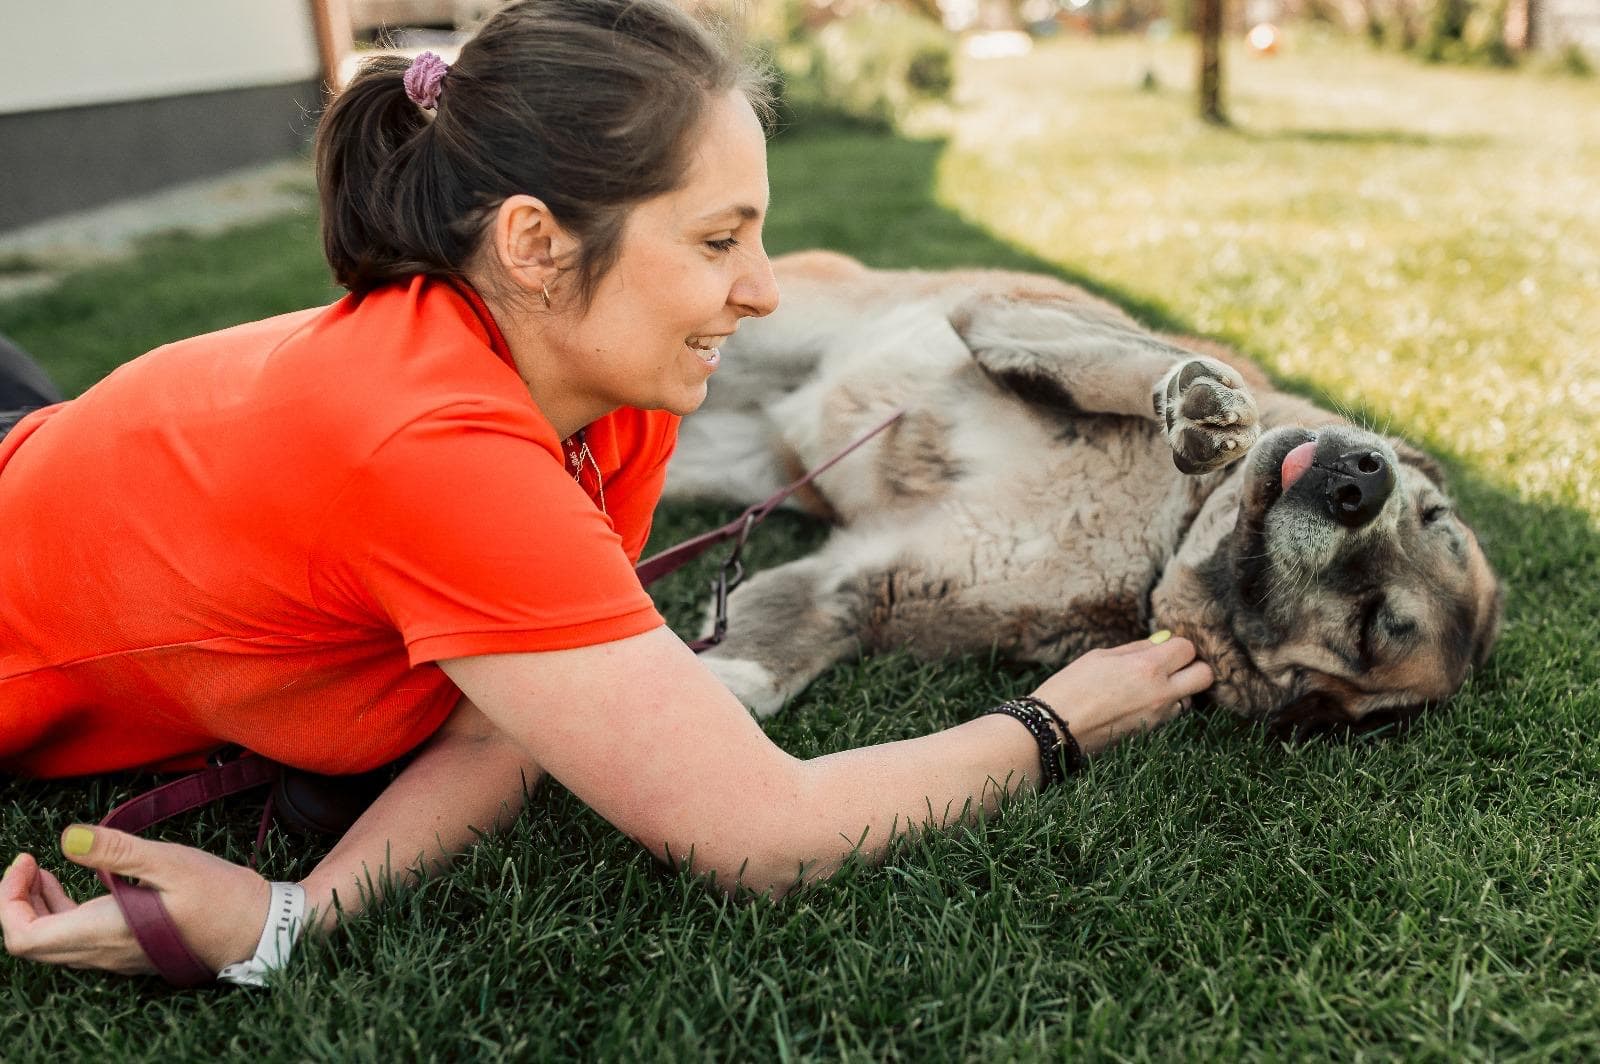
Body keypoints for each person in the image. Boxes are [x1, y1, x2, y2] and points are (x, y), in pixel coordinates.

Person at [0, 0, 1212, 983]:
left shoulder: (606, 387)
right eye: (716, 240)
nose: (765, 290)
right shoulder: (435, 445)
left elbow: (504, 724)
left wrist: (302, 908)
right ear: (534, 245)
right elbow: (767, 834)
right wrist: (1060, 719)